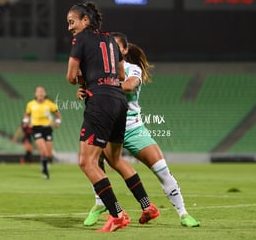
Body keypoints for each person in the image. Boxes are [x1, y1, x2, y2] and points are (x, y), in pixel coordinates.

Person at [78, 32, 200, 227]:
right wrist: (84, 91)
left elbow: (130, 85)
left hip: (133, 127)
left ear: (125, 50)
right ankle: (101, 203)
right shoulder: (99, 71)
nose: (112, 52)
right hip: (107, 125)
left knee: (161, 170)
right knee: (93, 161)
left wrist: (105, 87)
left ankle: (183, 214)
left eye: (116, 48)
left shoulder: (131, 68)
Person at [65, 1, 159, 232]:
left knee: (86, 161)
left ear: (85, 20)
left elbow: (70, 76)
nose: (69, 28)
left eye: (71, 22)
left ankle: (117, 214)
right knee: (114, 159)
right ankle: (147, 207)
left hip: (100, 102)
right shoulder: (110, 40)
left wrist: (85, 82)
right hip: (118, 102)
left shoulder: (81, 40)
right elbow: (117, 74)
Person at [23, 86, 61, 179]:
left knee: (48, 153)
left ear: (44, 94)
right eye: (38, 92)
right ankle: (46, 171)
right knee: (43, 150)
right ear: (35, 94)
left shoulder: (50, 104)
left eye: (42, 92)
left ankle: (44, 163)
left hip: (47, 129)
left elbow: (58, 116)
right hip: (36, 128)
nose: (40, 94)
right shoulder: (30, 104)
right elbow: (27, 115)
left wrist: (57, 122)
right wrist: (25, 122)